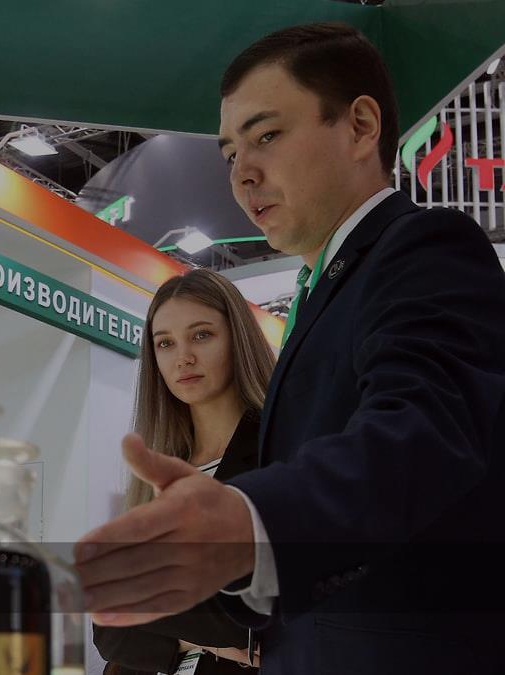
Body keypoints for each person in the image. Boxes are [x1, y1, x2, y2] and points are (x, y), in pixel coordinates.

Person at [75, 22, 505, 675]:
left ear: (360, 126)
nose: (242, 174)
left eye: (267, 136)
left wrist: (247, 520)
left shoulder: (424, 248)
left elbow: (418, 434)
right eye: (229, 154)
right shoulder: (325, 294)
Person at [93, 269, 273, 675]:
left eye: (201, 335)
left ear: (237, 339)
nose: (183, 357)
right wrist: (193, 637)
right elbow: (107, 625)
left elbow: (247, 614)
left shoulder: (278, 449)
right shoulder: (159, 468)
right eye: (165, 343)